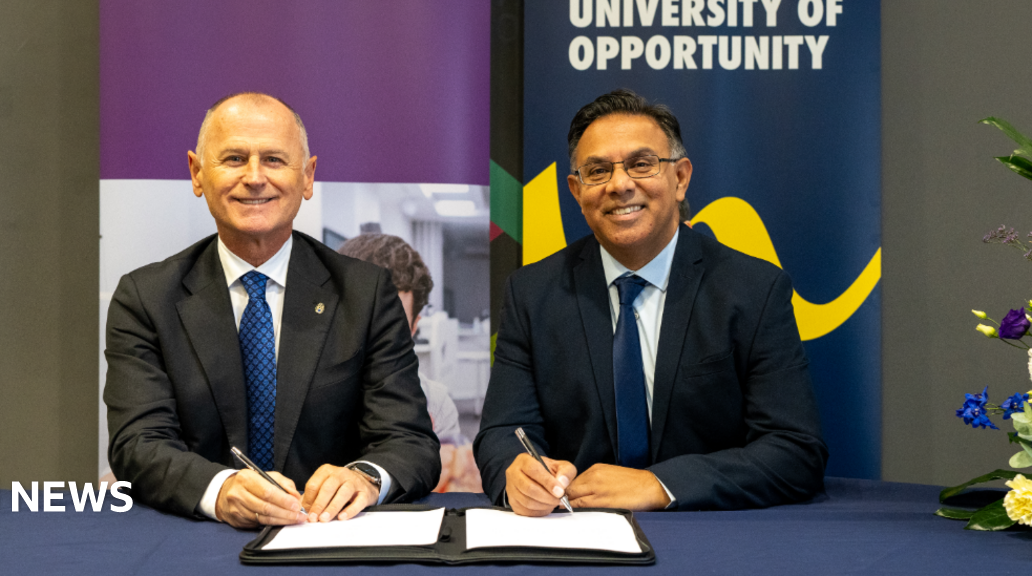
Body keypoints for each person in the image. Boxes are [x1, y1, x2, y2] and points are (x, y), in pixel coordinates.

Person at [473, 88, 827, 515]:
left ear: (679, 179)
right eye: (598, 170)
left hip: (715, 539)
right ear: (576, 190)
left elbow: (795, 450)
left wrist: (661, 485)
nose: (620, 185)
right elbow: (501, 435)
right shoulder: (533, 293)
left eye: (641, 165)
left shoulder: (753, 289)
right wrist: (519, 477)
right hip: (576, 536)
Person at [104, 92, 440, 528]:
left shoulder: (366, 294)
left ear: (308, 176)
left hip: (328, 539)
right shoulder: (145, 298)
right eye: (234, 158)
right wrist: (220, 489)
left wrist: (366, 479)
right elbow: (138, 443)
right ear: (197, 173)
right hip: (194, 540)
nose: (255, 177)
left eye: (275, 160)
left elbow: (409, 441)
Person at [336, 233, 461, 444]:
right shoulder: (280, 393)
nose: (371, 338)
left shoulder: (434, 406)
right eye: (358, 316)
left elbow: (448, 475)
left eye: (392, 326)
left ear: (413, 329)